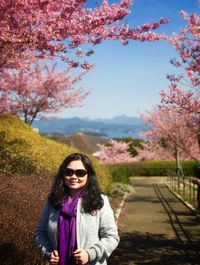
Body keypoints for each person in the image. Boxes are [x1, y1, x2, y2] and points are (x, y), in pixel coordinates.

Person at [34, 152, 119, 265]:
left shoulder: (99, 201)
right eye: (69, 172)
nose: (73, 177)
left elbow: (111, 237)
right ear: (62, 175)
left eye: (80, 173)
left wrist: (90, 254)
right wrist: (47, 252)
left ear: (88, 175)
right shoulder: (53, 201)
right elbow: (40, 232)